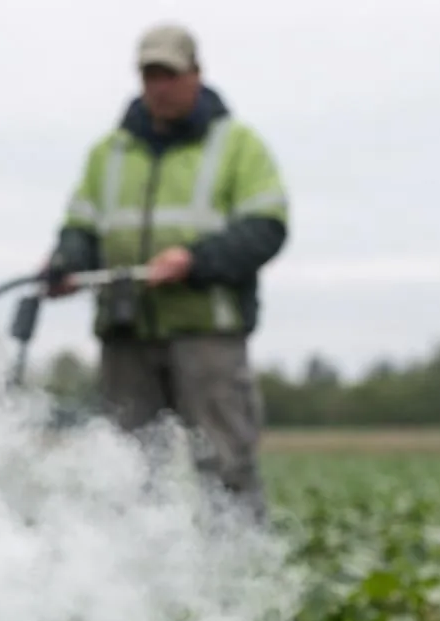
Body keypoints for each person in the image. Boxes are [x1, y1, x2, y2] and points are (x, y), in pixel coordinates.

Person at [42, 22, 288, 522]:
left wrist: (194, 261)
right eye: (150, 75)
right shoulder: (108, 153)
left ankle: (236, 584)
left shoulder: (238, 146)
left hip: (206, 333)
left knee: (225, 464)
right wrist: (67, 261)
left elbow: (266, 228)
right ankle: (134, 584)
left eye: (169, 74)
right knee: (126, 472)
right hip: (125, 334)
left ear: (196, 74)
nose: (159, 86)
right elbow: (81, 226)